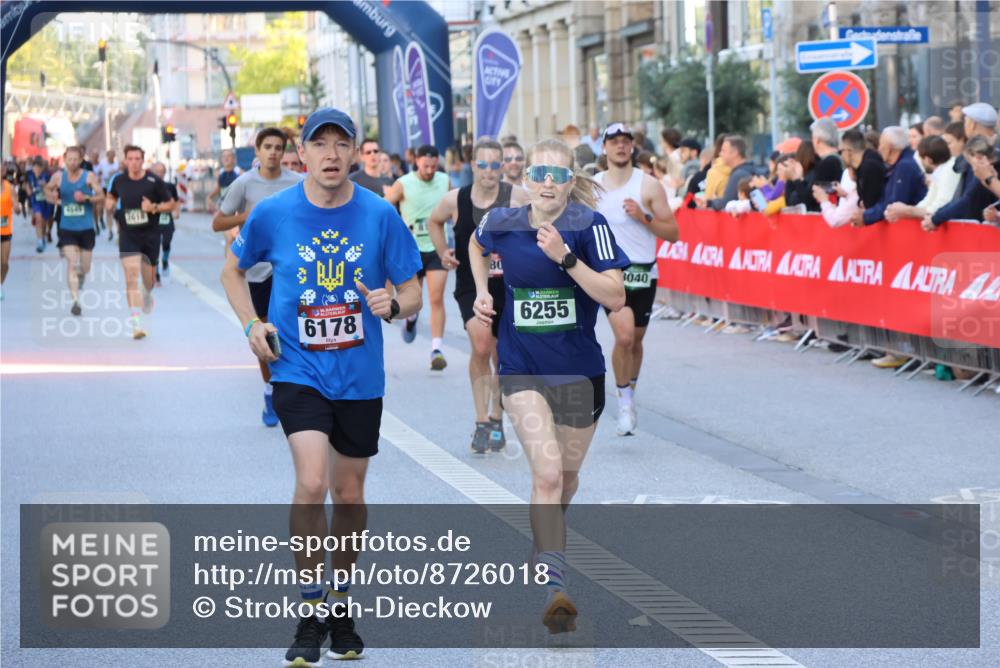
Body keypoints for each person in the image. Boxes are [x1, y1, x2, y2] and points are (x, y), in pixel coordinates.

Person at [221, 107, 422, 665]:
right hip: (297, 369)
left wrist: (395, 303)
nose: (331, 154)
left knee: (349, 494)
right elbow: (232, 271)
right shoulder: (274, 213)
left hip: (359, 375)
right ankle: (309, 610)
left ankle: (340, 601)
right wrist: (250, 324)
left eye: (342, 144)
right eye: (320, 144)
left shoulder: (380, 215)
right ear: (300, 155)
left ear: (356, 153)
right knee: (312, 483)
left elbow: (412, 292)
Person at [469, 137, 628, 634]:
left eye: (557, 176)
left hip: (579, 369)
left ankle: (546, 535)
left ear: (570, 181)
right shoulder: (503, 223)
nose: (546, 183)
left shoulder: (589, 226)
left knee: (568, 479)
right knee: (548, 475)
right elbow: (476, 245)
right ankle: (554, 585)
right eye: (538, 173)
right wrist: (480, 294)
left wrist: (565, 259)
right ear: (526, 178)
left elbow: (617, 295)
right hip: (521, 368)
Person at [427, 139, 530, 454]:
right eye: (482, 165)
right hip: (472, 286)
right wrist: (443, 251)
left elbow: (538, 227)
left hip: (509, 284)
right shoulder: (455, 199)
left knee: (502, 355)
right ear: (472, 166)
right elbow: (433, 221)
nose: (488, 172)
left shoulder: (516, 197)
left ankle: (497, 417)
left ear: (502, 166)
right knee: (483, 345)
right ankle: (481, 419)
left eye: (494, 165)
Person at [213, 127, 304, 427]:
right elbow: (218, 222)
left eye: (279, 147)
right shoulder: (244, 184)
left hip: (289, 269)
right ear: (258, 151)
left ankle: (295, 388)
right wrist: (248, 216)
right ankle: (270, 389)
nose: (274, 152)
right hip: (256, 271)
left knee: (295, 329)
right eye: (268, 147)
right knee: (268, 333)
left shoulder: (297, 183)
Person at [594, 122, 678, 435]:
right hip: (609, 273)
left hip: (643, 272)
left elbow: (673, 233)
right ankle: (624, 403)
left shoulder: (648, 186)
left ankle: (630, 392)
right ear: (604, 147)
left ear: (632, 146)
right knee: (625, 336)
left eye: (625, 141)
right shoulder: (593, 187)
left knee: (636, 340)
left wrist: (644, 218)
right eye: (613, 141)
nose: (619, 146)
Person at [384, 144, 451, 370]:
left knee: (436, 298)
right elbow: (384, 208)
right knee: (415, 299)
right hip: (411, 249)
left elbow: (456, 207)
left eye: (433, 166)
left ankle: (436, 349)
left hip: (436, 247)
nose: (430, 171)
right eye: (425, 166)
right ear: (417, 162)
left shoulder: (444, 180)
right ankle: (411, 319)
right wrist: (398, 227)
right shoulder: (404, 183)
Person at [106, 145, 174, 340]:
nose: (134, 162)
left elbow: (171, 204)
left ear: (142, 161)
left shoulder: (154, 181)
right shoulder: (119, 180)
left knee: (149, 281)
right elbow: (111, 196)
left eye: (137, 159)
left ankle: (147, 292)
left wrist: (153, 207)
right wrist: (109, 204)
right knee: (131, 277)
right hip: (128, 235)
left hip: (151, 236)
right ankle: (136, 325)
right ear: (125, 161)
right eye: (130, 159)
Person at [43, 146, 104, 316]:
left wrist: (87, 198)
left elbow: (101, 196)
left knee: (84, 268)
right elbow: (47, 189)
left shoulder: (88, 176)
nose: (72, 163)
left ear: (81, 160)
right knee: (72, 263)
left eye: (75, 159)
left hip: (86, 228)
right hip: (67, 228)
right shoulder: (58, 177)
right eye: (69, 159)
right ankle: (76, 301)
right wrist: (53, 198)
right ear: (65, 159)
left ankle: (80, 280)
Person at [851, 126, 927, 227]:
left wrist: (866, 216)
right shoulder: (900, 164)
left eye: (881, 144)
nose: (878, 149)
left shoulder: (905, 165)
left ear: (890, 147)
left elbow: (894, 204)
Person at [885, 135, 960, 222]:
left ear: (928, 160)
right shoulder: (940, 171)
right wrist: (903, 212)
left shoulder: (950, 170)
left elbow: (940, 206)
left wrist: (907, 210)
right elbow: (928, 201)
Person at [148, 162, 181, 284]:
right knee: (154, 246)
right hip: (152, 220)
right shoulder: (147, 186)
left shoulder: (170, 186)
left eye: (161, 171)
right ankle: (156, 273)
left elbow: (176, 201)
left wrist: (177, 212)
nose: (158, 173)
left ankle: (165, 260)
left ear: (164, 173)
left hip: (167, 218)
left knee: (167, 241)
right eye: (156, 171)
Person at [704, 135, 756, 211]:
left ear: (735, 153)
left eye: (723, 150)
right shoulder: (752, 169)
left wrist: (711, 203)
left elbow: (726, 203)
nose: (720, 154)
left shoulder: (737, 175)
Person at [25, 157, 53, 253]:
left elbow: (52, 188)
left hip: (46, 202)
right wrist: (28, 189)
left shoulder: (47, 175)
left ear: (42, 168)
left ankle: (43, 236)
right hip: (35, 201)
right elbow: (26, 185)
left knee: (44, 222)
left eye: (38, 168)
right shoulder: (29, 175)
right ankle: (40, 242)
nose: (36, 170)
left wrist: (45, 185)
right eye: (34, 168)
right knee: (38, 219)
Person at [1, 161, 21, 296]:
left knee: (4, 263)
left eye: (2, 170)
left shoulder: (10, 188)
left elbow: (17, 207)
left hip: (5, 230)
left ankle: (0, 284)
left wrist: (17, 208)